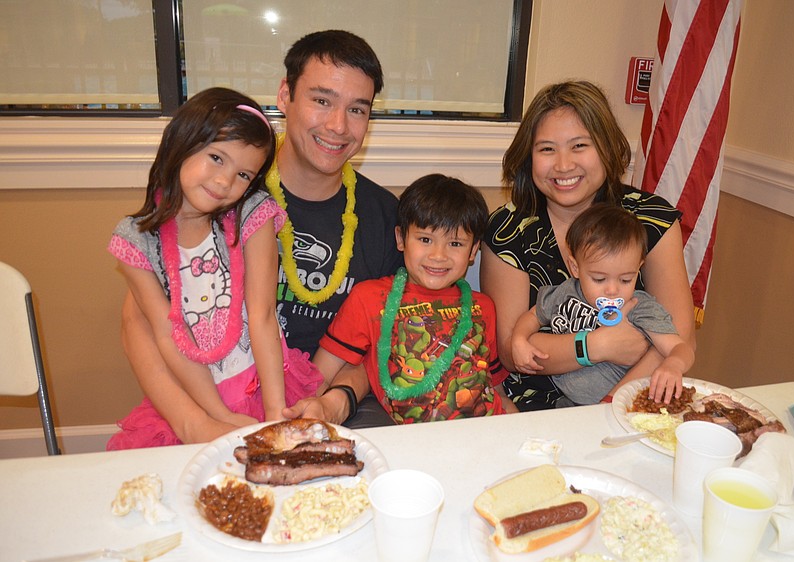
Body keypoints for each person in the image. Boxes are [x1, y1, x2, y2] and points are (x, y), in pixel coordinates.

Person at [119, 30, 402, 443]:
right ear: (285, 95)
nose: (339, 126)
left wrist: (340, 398)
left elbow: (387, 335)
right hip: (207, 401)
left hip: (331, 405)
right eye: (321, 101)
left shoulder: (383, 217)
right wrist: (194, 423)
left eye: (357, 109)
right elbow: (140, 320)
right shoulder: (223, 191)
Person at [107, 88, 323, 450]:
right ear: (182, 142)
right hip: (195, 395)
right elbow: (166, 336)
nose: (225, 182)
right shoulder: (138, 241)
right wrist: (214, 414)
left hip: (261, 382)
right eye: (216, 158)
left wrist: (274, 410)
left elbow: (263, 313)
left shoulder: (252, 214)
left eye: (243, 174)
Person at [481, 80, 696, 411]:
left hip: (635, 397)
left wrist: (612, 404)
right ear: (529, 157)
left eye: (579, 145)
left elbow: (678, 339)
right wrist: (597, 345)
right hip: (535, 407)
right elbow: (513, 351)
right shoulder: (509, 229)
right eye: (547, 149)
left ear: (606, 148)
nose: (564, 165)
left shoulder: (653, 220)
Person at [290, 174, 518, 424]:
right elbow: (319, 376)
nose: (438, 255)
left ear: (473, 250)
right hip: (411, 443)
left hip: (486, 432)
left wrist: (517, 428)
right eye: (425, 240)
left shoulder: (483, 307)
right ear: (401, 239)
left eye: (455, 243)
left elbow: (495, 388)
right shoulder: (369, 299)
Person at [511, 205, 694, 405]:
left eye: (625, 279)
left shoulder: (639, 307)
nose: (612, 290)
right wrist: (519, 339)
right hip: (566, 403)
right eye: (599, 279)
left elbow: (681, 348)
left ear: (638, 268)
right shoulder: (565, 292)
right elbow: (533, 316)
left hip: (619, 405)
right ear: (575, 268)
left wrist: (673, 364)